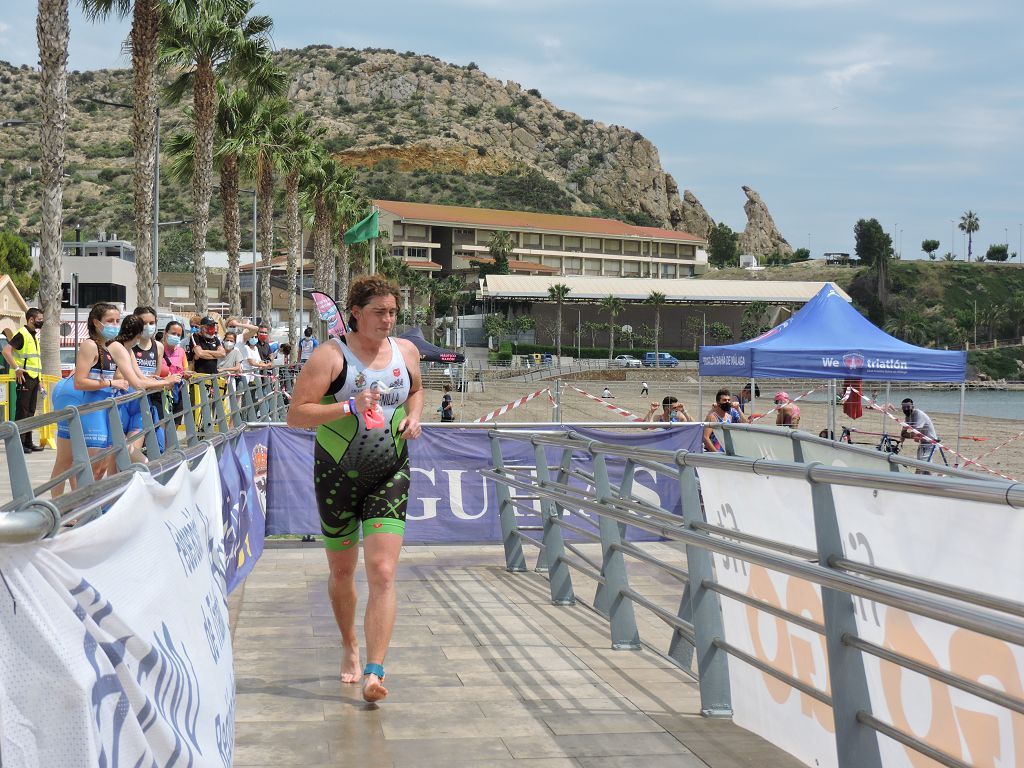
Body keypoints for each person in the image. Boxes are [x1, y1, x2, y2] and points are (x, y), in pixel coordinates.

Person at [287, 275, 423, 704]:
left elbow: (416, 391)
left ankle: (375, 671)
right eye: (380, 312)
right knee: (343, 573)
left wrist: (414, 417)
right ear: (356, 314)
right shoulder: (330, 356)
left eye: (393, 312)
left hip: (390, 470)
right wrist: (348, 406)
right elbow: (297, 415)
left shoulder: (406, 352)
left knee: (382, 572)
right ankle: (349, 643)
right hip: (336, 475)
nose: (388, 319)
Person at [49, 303, 129, 494]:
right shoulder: (90, 345)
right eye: (110, 321)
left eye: (118, 321)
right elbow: (80, 382)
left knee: (97, 465)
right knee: (69, 461)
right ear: (96, 323)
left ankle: (78, 505)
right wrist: (111, 384)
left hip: (98, 406)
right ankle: (63, 508)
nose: (115, 325)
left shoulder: (109, 347)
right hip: (76, 401)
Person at [111, 314, 178, 464]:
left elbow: (141, 378)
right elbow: (135, 382)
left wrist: (161, 380)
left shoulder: (128, 350)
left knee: (127, 454)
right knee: (116, 457)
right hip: (118, 404)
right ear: (139, 334)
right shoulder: (119, 348)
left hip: (133, 402)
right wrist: (165, 383)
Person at [2, 307, 45, 452]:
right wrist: (16, 368)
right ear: (31, 319)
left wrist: (41, 380)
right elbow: (6, 351)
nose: (41, 321)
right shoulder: (22, 334)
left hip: (34, 378)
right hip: (24, 378)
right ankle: (19, 444)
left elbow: (36, 362)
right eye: (39, 319)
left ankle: (28, 442)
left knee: (30, 411)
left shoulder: (33, 335)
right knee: (22, 411)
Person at [132, 306, 168, 452]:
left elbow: (156, 375)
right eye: (143, 322)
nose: (148, 327)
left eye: (152, 323)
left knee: (159, 445)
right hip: (133, 398)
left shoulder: (158, 346)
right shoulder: (129, 346)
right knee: (133, 445)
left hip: (153, 397)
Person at [162, 320, 192, 426]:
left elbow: (186, 369)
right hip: (163, 392)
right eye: (173, 333)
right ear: (165, 333)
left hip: (178, 392)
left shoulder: (181, 351)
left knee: (175, 424)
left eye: (178, 335)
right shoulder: (159, 350)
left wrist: (186, 374)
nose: (176, 336)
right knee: (163, 426)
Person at [703, 387, 746, 452]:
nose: (727, 402)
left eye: (729, 400)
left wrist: (738, 409)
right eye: (724, 400)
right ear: (718, 402)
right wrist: (716, 453)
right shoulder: (713, 417)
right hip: (715, 453)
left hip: (726, 452)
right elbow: (705, 437)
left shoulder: (729, 417)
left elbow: (745, 424)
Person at [900, 398, 939, 469]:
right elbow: (903, 432)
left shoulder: (918, 414)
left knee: (923, 466)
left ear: (913, 407)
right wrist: (901, 442)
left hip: (930, 443)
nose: (906, 409)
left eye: (908, 407)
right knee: (922, 465)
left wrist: (907, 435)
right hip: (923, 443)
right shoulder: (908, 417)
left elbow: (916, 435)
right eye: (904, 407)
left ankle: (934, 477)